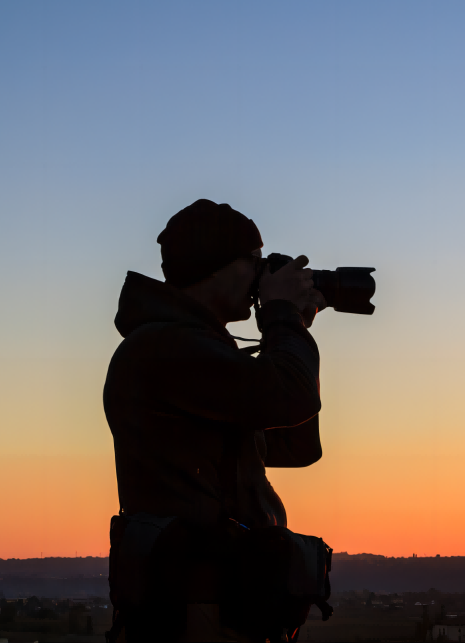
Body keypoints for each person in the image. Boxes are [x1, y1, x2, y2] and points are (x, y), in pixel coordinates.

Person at [103, 199, 325, 642]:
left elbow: (297, 446)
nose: (262, 277)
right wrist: (283, 321)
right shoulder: (165, 348)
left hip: (227, 599)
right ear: (216, 266)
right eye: (255, 262)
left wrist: (293, 327)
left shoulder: (202, 352)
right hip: (195, 605)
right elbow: (289, 397)